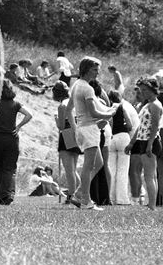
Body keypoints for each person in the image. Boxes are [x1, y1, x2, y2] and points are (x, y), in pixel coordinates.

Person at [66, 56, 118, 211]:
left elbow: (69, 110)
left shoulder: (77, 85)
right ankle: (86, 201)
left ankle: (78, 194)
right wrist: (111, 113)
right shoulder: (87, 88)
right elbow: (94, 113)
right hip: (89, 130)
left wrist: (75, 128)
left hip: (84, 128)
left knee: (99, 163)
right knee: (88, 167)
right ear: (87, 69)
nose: (97, 73)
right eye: (95, 70)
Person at [0, 79, 33, 205]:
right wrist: (18, 126)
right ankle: (7, 196)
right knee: (9, 168)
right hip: (11, 138)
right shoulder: (16, 104)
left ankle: (0, 197)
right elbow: (29, 115)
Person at [125, 78, 162, 210]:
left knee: (149, 175)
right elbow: (141, 126)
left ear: (153, 89)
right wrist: (131, 143)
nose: (143, 93)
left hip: (149, 141)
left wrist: (150, 144)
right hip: (143, 140)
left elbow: (155, 126)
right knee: (150, 175)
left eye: (145, 90)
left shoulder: (155, 105)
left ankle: (152, 205)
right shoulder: (147, 105)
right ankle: (151, 204)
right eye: (142, 90)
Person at [107, 90, 139, 205]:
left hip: (111, 138)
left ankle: (110, 197)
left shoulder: (108, 108)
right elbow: (130, 126)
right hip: (123, 137)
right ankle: (122, 199)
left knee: (111, 169)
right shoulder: (122, 107)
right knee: (123, 170)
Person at [53, 81, 82, 204]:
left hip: (66, 135)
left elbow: (60, 126)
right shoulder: (74, 103)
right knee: (73, 169)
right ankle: (78, 193)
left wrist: (55, 118)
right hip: (77, 134)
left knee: (69, 169)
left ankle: (71, 196)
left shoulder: (62, 106)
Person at [88, 80, 112, 206]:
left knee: (96, 164)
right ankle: (104, 196)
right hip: (105, 130)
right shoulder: (102, 100)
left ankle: (97, 196)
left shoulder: (94, 101)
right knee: (102, 165)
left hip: (99, 130)